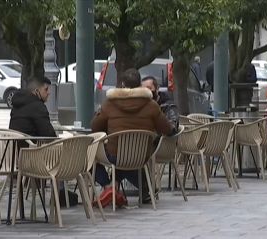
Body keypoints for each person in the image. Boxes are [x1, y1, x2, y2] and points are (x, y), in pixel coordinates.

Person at [90, 68, 174, 208]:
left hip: (114, 155)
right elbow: (165, 129)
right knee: (129, 159)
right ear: (139, 85)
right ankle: (145, 191)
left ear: (122, 84)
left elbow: (95, 127)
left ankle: (108, 186)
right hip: (141, 156)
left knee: (90, 154)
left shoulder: (109, 104)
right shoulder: (151, 105)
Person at [9, 76, 76, 207]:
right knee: (60, 153)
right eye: (46, 89)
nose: (49, 92)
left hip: (16, 156)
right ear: (36, 91)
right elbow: (49, 135)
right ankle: (60, 192)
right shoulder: (37, 106)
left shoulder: (17, 106)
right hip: (34, 158)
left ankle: (54, 190)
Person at [141, 76, 179, 141]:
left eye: (149, 88)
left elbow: (172, 129)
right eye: (143, 90)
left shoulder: (168, 105)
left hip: (161, 145)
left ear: (157, 88)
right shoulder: (141, 105)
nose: (146, 92)